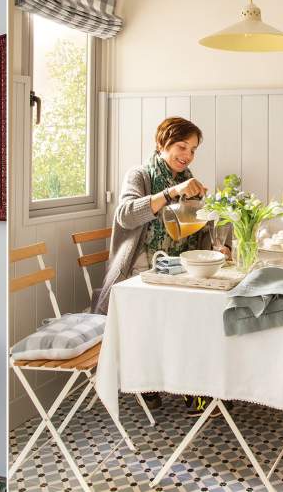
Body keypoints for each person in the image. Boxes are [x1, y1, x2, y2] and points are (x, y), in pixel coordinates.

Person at [94, 116, 231, 415]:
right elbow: (126, 216)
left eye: (193, 150)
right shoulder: (140, 175)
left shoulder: (190, 182)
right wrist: (172, 192)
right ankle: (182, 387)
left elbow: (203, 225)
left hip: (177, 268)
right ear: (162, 143)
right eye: (182, 146)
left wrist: (223, 243)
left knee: (204, 307)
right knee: (186, 311)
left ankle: (198, 384)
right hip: (140, 270)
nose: (187, 155)